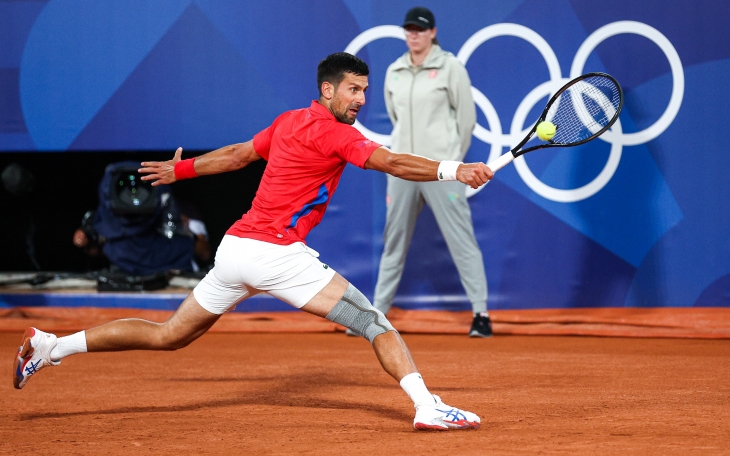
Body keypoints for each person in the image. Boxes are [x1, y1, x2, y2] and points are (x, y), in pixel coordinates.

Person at [12, 53, 492, 431]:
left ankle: (52, 347)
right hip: (275, 255)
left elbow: (238, 155)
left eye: (364, 90)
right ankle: (427, 406)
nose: (361, 98)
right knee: (373, 322)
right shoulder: (339, 135)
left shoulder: (288, 122)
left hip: (235, 249)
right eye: (353, 89)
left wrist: (182, 170)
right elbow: (390, 163)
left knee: (169, 334)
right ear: (327, 90)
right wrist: (454, 169)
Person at [373, 6, 492, 337]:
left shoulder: (451, 66)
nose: (414, 34)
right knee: (393, 242)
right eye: (409, 29)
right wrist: (400, 158)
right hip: (402, 170)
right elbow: (395, 119)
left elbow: (466, 120)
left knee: (461, 240)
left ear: (433, 32)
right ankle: (377, 314)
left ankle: (481, 314)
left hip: (443, 170)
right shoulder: (394, 70)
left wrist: (452, 162)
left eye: (420, 29)